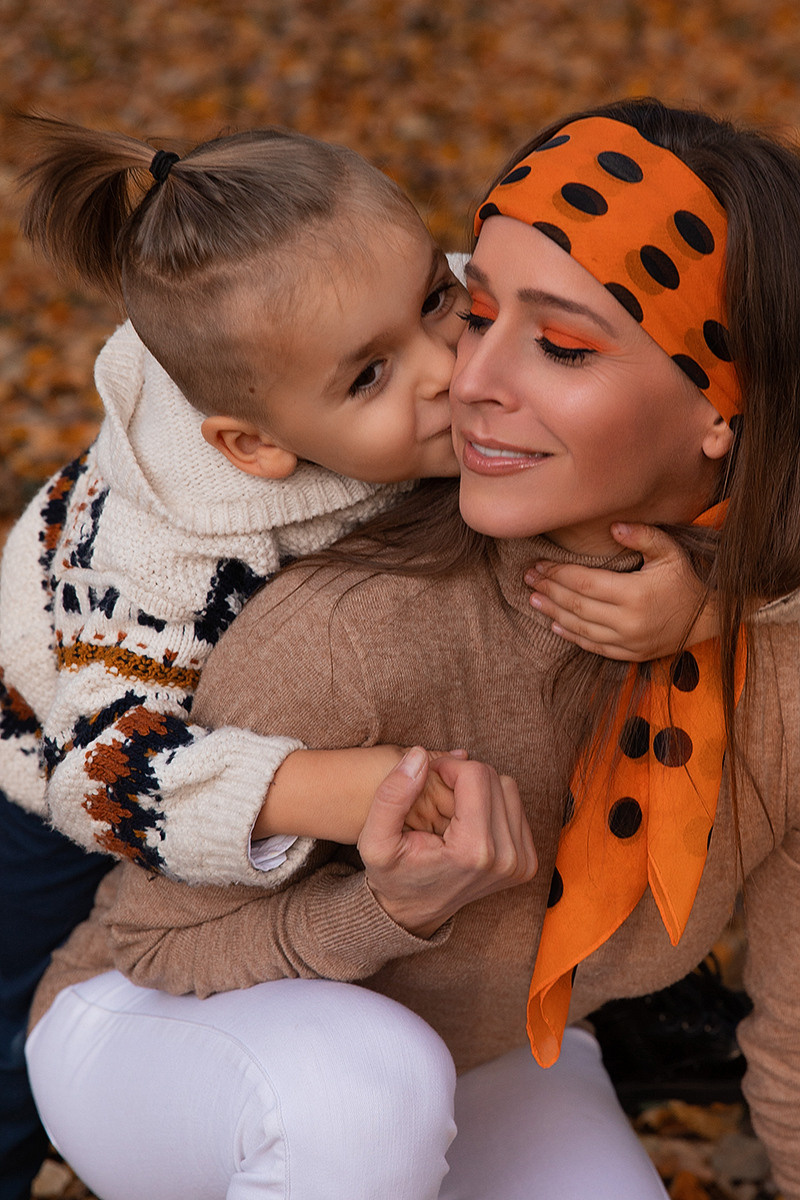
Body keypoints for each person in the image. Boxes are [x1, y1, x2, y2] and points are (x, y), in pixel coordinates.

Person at [0, 116, 702, 1200]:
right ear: (255, 444)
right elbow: (106, 775)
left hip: (289, 741)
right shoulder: (157, 549)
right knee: (13, 1022)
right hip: (67, 749)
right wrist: (339, 787)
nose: (449, 372)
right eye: (373, 374)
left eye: (438, 301)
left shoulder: (414, 319)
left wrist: (697, 598)